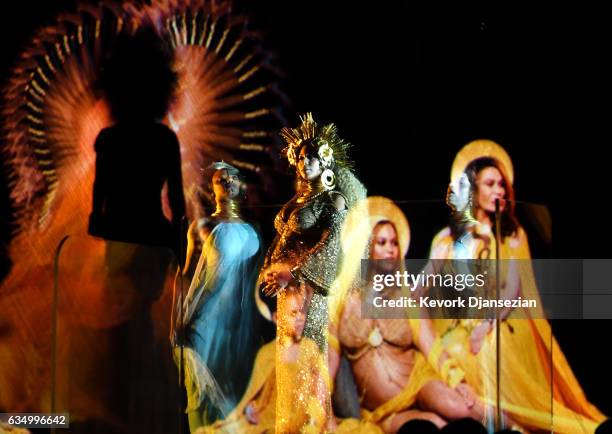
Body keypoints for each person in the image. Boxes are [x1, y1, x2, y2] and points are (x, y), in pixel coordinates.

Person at [429, 139, 606, 433]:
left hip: (503, 319)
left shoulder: (513, 234)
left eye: (501, 184)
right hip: (462, 321)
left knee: (489, 347)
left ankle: (515, 422)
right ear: (472, 189)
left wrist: (485, 325)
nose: (498, 190)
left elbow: (512, 289)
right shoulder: (449, 238)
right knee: (450, 349)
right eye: (489, 184)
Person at [330, 197, 483, 433]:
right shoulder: (341, 300)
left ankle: (511, 424)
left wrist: (456, 380)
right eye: (382, 242)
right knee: (433, 426)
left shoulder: (407, 297)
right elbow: (327, 360)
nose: (391, 249)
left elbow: (431, 346)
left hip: (417, 380)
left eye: (394, 242)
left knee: (460, 407)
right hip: (384, 410)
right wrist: (321, 407)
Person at [260, 113, 366, 431]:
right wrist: (269, 271)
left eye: (312, 158)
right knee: (288, 364)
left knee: (310, 363)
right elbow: (283, 239)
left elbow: (332, 246)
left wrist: (293, 273)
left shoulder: (332, 199)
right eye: (302, 158)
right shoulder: (299, 199)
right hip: (288, 293)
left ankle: (313, 428)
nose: (306, 164)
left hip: (311, 292)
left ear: (325, 162)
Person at [173, 162, 263, 432]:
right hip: (206, 320)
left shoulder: (254, 228)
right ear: (212, 189)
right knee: (203, 394)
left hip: (241, 326)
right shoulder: (203, 225)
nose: (227, 182)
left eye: (233, 177)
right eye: (220, 179)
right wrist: (176, 317)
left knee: (236, 391)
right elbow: (187, 274)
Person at [88, 28, 185, 251]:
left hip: (117, 233)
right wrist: (180, 236)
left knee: (118, 286)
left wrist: (96, 218)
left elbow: (100, 185)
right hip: (153, 234)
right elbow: (176, 197)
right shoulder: (165, 139)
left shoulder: (109, 139)